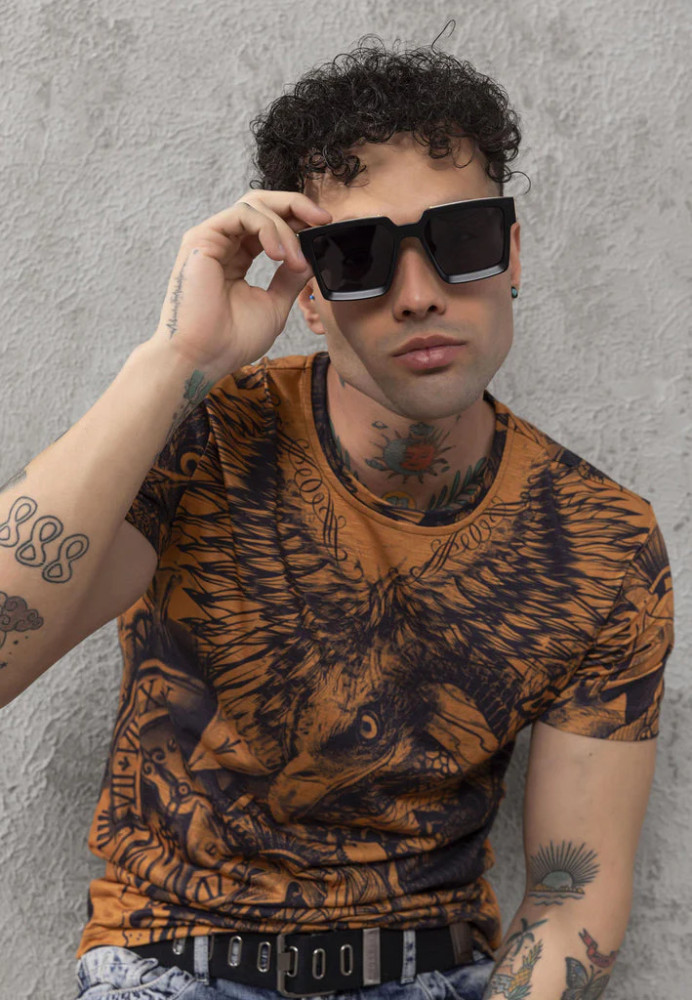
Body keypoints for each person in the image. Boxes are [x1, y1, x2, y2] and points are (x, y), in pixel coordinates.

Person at [0, 25, 675, 1000]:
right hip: (175, 965)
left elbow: (571, 898)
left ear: (512, 253)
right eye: (358, 255)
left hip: (435, 975)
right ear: (308, 295)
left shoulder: (602, 543)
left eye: (461, 241)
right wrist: (172, 361)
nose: (418, 294)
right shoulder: (205, 441)